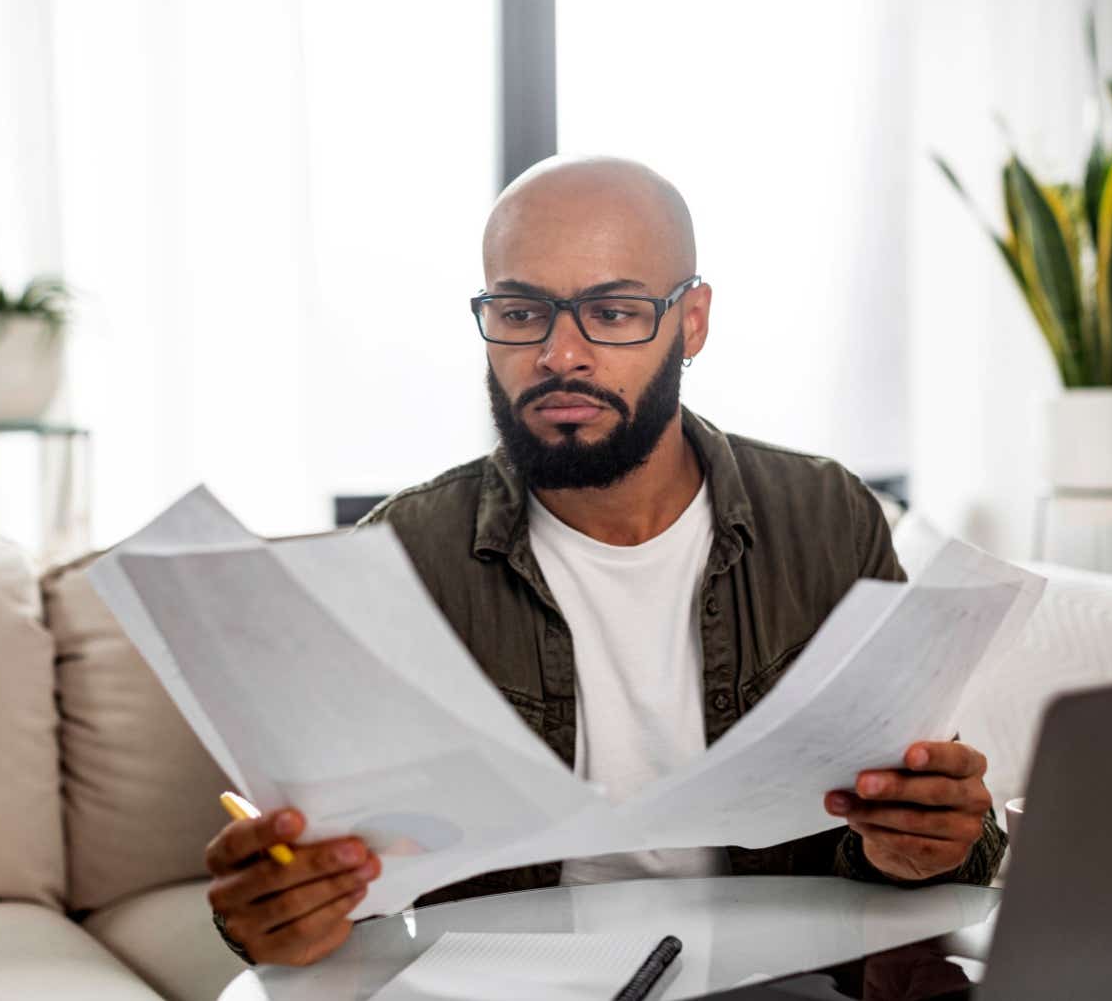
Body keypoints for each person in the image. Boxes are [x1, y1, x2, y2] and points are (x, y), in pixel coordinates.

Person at [204, 156, 1006, 967]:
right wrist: (270, 912)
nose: (560, 354)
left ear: (691, 320)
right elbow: (320, 879)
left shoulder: (827, 519)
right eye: (520, 311)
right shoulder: (399, 556)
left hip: (777, 980)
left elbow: (929, 825)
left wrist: (925, 843)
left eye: (612, 311)